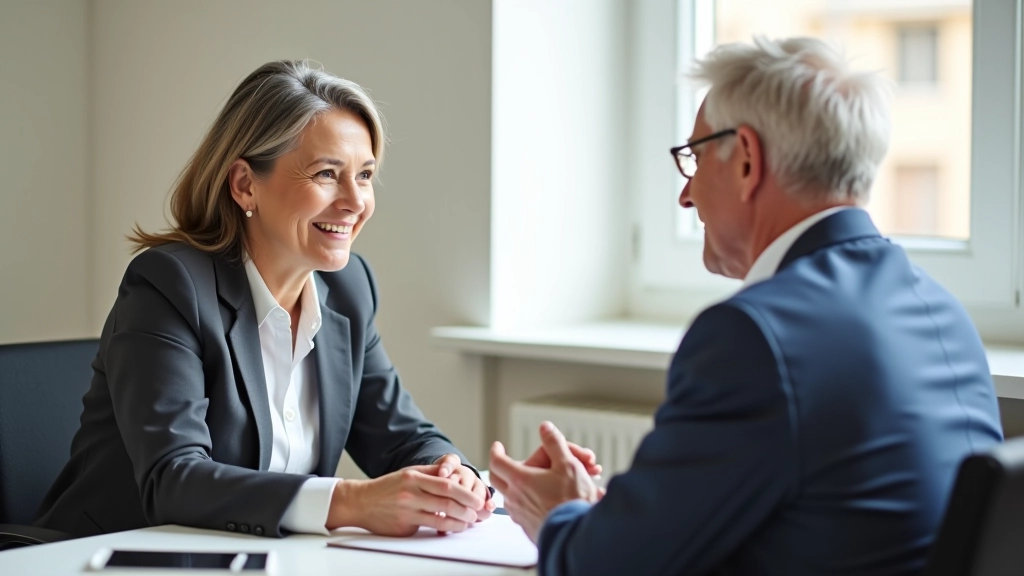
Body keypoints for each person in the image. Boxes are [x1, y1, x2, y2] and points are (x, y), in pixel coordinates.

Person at [489, 37, 1004, 575]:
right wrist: (616, 519)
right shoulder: (941, 310)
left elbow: (605, 568)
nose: (685, 196)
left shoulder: (755, 336)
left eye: (695, 156)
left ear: (747, 161)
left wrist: (559, 516)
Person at [35, 60, 494, 539]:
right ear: (245, 184)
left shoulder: (349, 289)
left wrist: (450, 473)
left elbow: (402, 436)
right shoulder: (170, 286)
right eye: (326, 174)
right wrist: (352, 501)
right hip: (113, 556)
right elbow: (173, 478)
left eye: (364, 175)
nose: (356, 202)